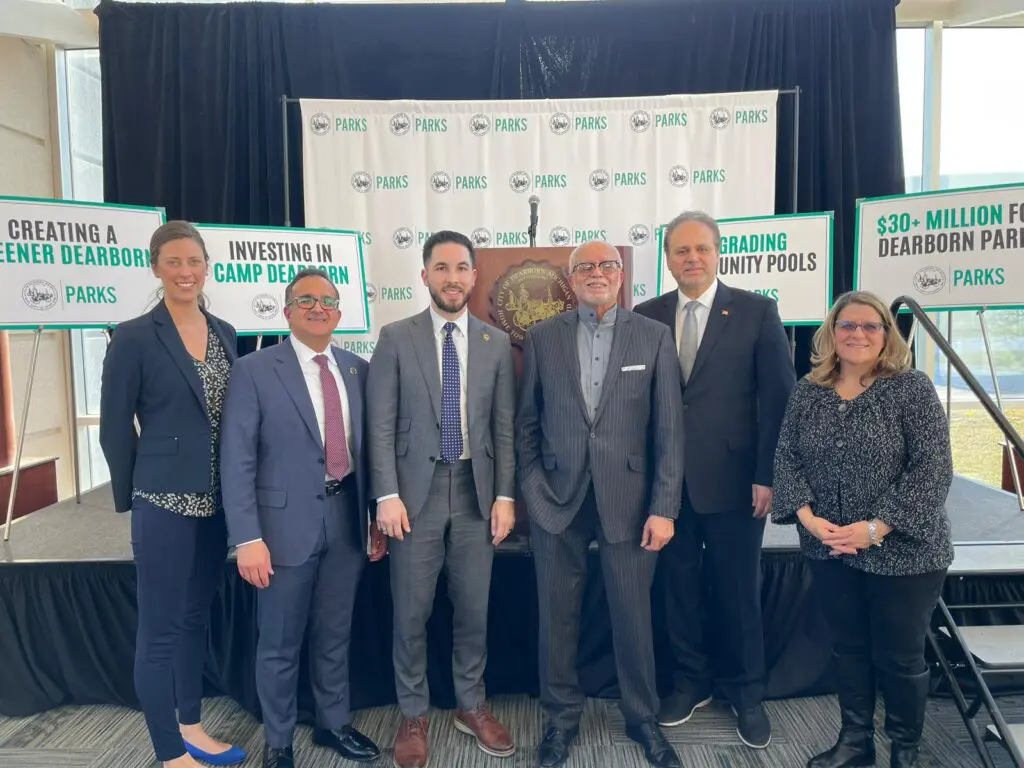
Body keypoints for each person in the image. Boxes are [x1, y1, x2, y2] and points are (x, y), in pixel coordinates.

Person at [516, 240, 685, 768]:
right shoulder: (543, 337)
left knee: (633, 616)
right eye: (585, 266)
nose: (597, 273)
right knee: (556, 619)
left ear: (621, 274)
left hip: (630, 503)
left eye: (607, 265)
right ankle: (561, 720)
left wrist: (664, 507)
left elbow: (669, 431)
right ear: (571, 279)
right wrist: (533, 491)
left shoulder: (653, 336)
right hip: (556, 500)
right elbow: (526, 426)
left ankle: (642, 718)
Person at [634, 209, 795, 749]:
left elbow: (778, 399)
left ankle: (747, 692)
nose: (692, 258)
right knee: (677, 590)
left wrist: (768, 474)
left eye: (701, 248)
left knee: (737, 591)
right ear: (667, 258)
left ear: (718, 252)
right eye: (681, 250)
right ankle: (690, 682)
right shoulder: (646, 315)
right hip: (667, 487)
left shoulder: (756, 311)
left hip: (736, 483)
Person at [772, 290, 953, 768]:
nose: (858, 334)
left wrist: (875, 529)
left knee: (900, 655)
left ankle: (905, 749)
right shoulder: (808, 390)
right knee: (848, 649)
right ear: (832, 332)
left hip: (906, 552)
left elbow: (932, 469)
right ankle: (856, 742)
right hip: (830, 548)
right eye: (847, 325)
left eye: (870, 325)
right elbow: (786, 457)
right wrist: (809, 520)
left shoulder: (911, 389)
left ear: (886, 334)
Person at [220, 268, 385, 768]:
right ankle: (279, 741)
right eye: (307, 300)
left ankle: (334, 724)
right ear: (288, 311)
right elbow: (237, 459)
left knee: (334, 635)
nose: (318, 308)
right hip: (280, 530)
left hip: (346, 520)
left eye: (328, 301)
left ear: (340, 313)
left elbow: (370, 452)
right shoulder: (253, 370)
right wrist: (246, 537)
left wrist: (372, 519)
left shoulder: (357, 369)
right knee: (279, 643)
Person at [367, 230, 517, 768]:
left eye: (460, 268)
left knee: (474, 608)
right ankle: (413, 712)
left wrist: (505, 495)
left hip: (477, 491)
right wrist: (386, 494)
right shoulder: (395, 337)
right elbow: (380, 425)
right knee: (411, 611)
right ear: (424, 275)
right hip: (414, 497)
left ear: (473, 277)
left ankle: (470, 704)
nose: (452, 278)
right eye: (441, 268)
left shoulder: (494, 342)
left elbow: (504, 427)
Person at [99, 221, 245, 768]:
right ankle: (168, 752)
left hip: (216, 503)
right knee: (159, 631)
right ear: (155, 267)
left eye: (194, 261)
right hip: (162, 503)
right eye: (174, 262)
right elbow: (114, 428)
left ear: (207, 266)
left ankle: (190, 726)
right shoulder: (133, 336)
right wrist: (135, 496)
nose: (186, 272)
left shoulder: (226, 331)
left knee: (194, 619)